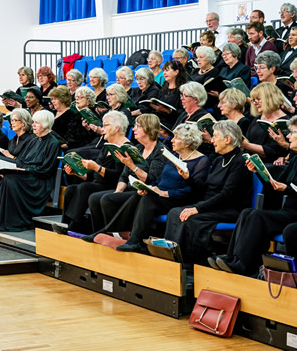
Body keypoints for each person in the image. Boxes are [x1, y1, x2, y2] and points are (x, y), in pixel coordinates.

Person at [212, 115, 297, 275]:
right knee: (247, 212)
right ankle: (231, 259)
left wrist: (285, 189)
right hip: (288, 210)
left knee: (257, 216)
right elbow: (275, 184)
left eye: (292, 132)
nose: (288, 136)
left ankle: (242, 265)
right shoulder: (294, 159)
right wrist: (259, 172)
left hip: (294, 214)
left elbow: (286, 188)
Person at [109, 123, 210, 252]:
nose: (172, 140)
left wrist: (167, 193)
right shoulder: (174, 156)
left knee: (148, 200)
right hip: (161, 195)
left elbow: (196, 191)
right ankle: (112, 230)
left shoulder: (202, 161)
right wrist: (149, 187)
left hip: (180, 199)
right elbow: (161, 180)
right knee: (138, 195)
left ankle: (134, 240)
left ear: (187, 143)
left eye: (176, 138)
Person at [165, 120, 252, 265]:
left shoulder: (240, 162)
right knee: (175, 212)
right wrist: (188, 178)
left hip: (229, 208)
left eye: (215, 136)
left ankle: (191, 263)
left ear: (228, 139)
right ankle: (172, 257)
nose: (211, 140)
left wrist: (197, 208)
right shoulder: (219, 160)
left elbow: (227, 195)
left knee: (191, 218)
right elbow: (205, 189)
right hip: (212, 205)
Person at [82, 114, 166, 238]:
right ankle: (100, 234)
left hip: (145, 192)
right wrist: (117, 191)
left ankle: (113, 234)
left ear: (148, 128)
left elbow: (151, 179)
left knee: (107, 199)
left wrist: (132, 165)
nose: (134, 129)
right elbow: (124, 176)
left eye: (138, 126)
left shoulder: (160, 151)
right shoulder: (138, 148)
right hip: (130, 188)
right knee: (94, 198)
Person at [0, 110, 60, 232]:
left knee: (10, 179)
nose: (33, 125)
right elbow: (20, 160)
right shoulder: (34, 140)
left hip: (38, 180)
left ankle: (7, 221)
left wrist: (24, 170)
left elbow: (46, 170)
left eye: (37, 123)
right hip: (25, 174)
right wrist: (12, 168)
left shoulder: (53, 143)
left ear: (45, 124)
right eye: (33, 122)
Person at [56, 111, 132, 234]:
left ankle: (73, 227)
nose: (103, 129)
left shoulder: (125, 148)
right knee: (71, 189)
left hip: (111, 186)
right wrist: (76, 173)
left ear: (117, 128)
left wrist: (97, 168)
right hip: (98, 183)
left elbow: (118, 176)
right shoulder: (106, 146)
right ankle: (66, 224)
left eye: (106, 125)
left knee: (85, 188)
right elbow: (92, 174)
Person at [242, 82, 290, 164]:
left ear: (269, 98)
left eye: (258, 99)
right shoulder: (257, 119)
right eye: (253, 100)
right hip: (250, 162)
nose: (254, 103)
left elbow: (274, 152)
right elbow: (248, 140)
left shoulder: (286, 122)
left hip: (271, 165)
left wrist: (246, 145)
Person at [152, 60, 185, 132]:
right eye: (164, 71)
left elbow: (183, 113)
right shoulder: (163, 89)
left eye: (167, 70)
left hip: (171, 124)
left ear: (176, 72)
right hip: (158, 121)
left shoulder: (183, 90)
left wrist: (168, 111)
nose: (164, 73)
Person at [190, 46, 221, 113]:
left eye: (201, 57)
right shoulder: (195, 71)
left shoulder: (215, 72)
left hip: (205, 101)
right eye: (197, 57)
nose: (198, 60)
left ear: (209, 59)